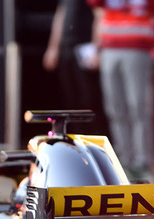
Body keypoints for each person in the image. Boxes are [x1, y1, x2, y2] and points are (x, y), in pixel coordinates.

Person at [87, 0, 154, 184]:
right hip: (109, 47)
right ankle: (123, 159)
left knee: (138, 106)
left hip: (137, 48)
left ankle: (141, 162)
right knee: (115, 108)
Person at [43, 0, 107, 134]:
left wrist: (96, 47)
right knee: (71, 98)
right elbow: (60, 16)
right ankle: (77, 137)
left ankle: (95, 138)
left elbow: (99, 14)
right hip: (66, 48)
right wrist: (53, 47)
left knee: (89, 98)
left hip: (84, 47)